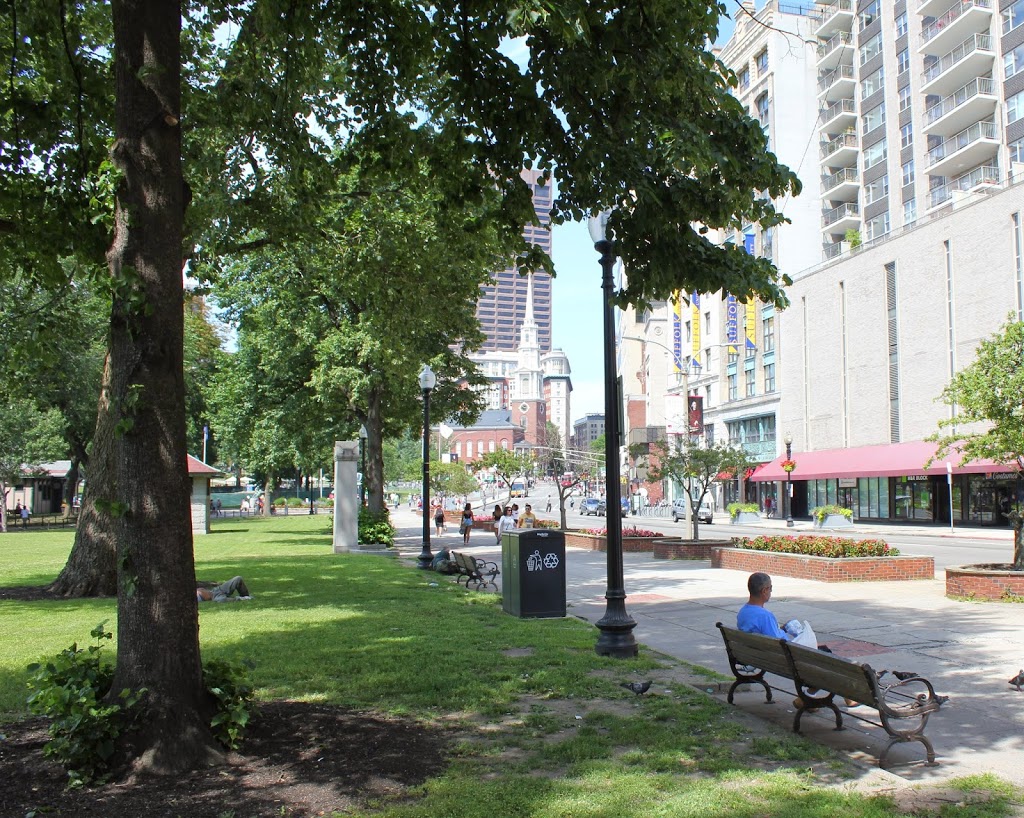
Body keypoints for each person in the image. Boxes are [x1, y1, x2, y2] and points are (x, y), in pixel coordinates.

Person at [737, 572, 818, 647]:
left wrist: (782, 629)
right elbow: (777, 644)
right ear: (764, 591)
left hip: (755, 655)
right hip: (777, 657)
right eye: (770, 588)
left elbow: (767, 633)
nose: (771, 591)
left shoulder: (742, 612)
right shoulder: (765, 616)